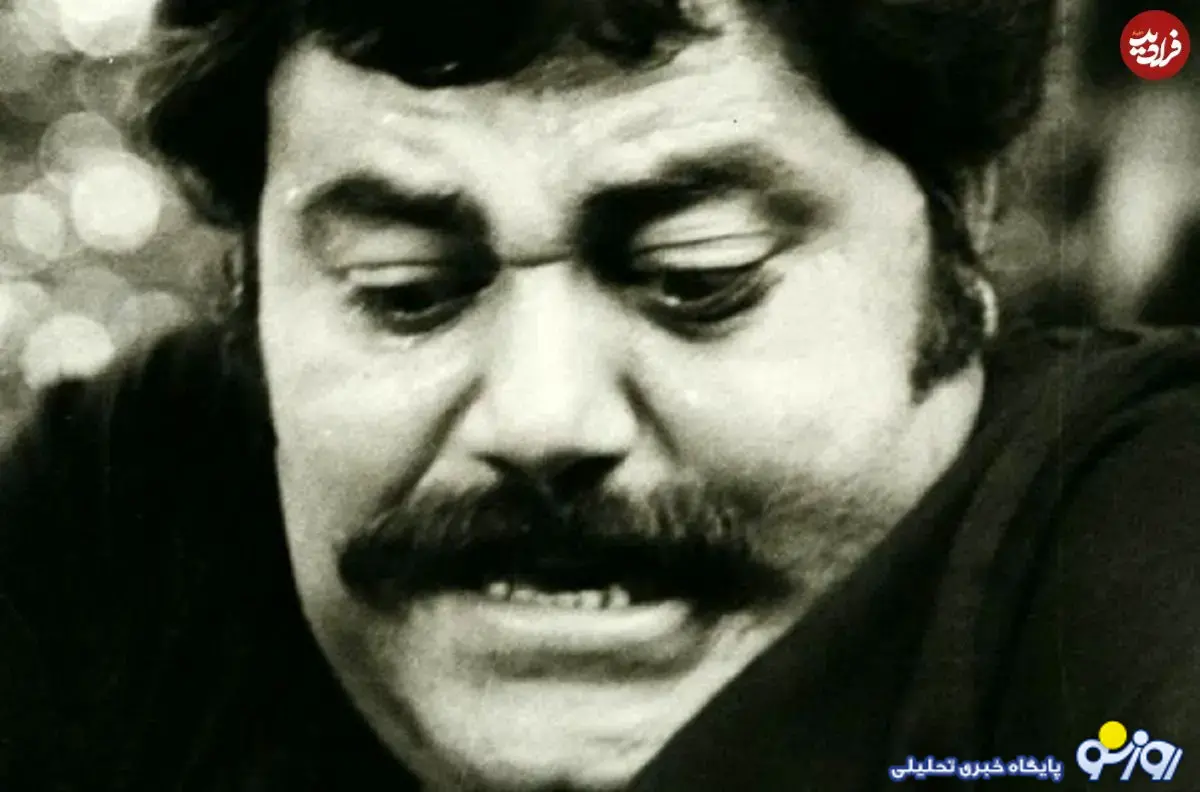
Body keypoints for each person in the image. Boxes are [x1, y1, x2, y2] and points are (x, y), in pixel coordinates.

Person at [1, 0, 1199, 790]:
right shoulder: (137, 519)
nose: (544, 416)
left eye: (698, 277)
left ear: (959, 231)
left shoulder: (1147, 527)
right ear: (254, 297)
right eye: (404, 290)